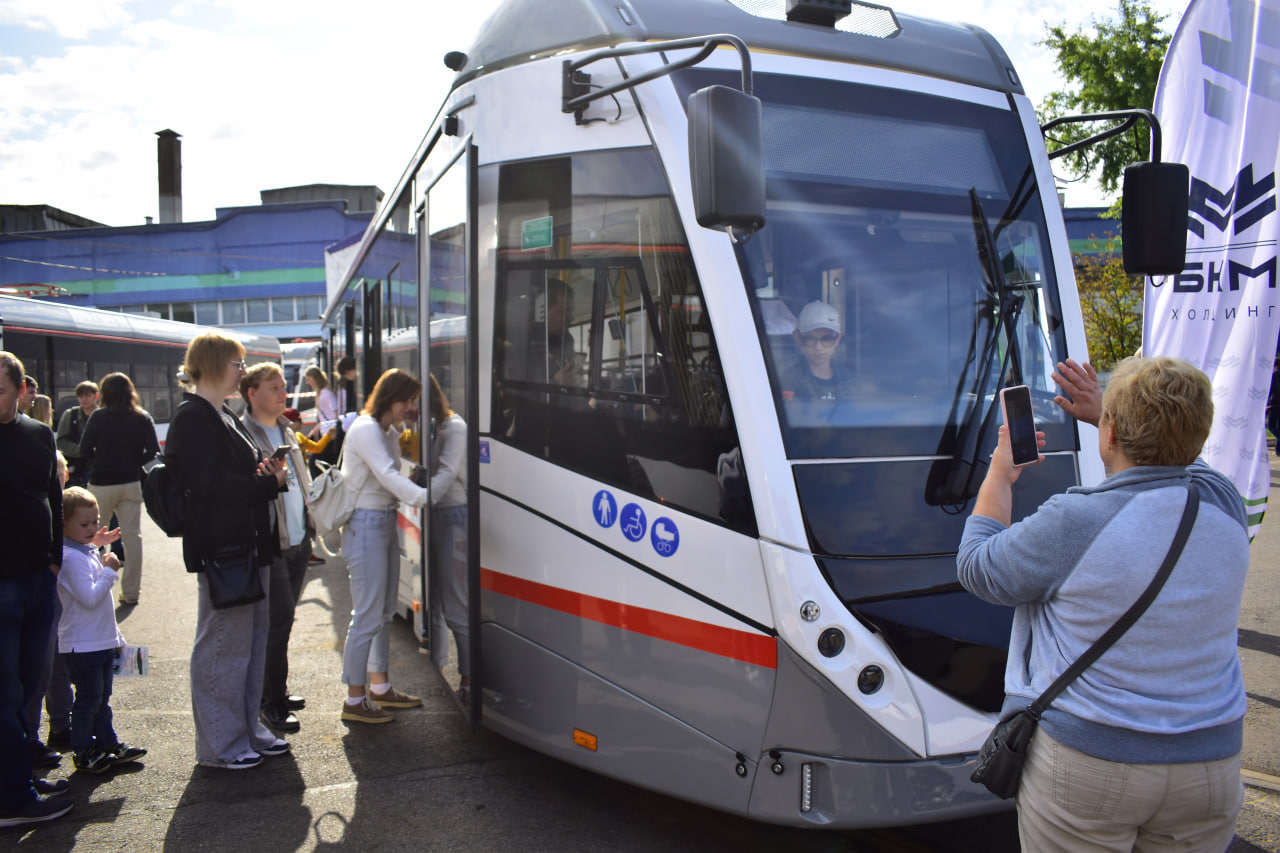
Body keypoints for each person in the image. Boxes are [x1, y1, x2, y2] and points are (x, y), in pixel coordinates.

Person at [956, 357, 1248, 852]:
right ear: (1199, 436)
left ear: (1110, 433)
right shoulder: (1223, 503)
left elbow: (978, 567)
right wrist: (1110, 416)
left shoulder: (1077, 521)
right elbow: (1184, 458)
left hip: (1094, 765)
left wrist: (1000, 476)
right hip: (1210, 767)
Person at [164, 331, 290, 770]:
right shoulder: (194, 417)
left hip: (247, 544)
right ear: (216, 364)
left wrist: (266, 473)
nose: (242, 370)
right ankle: (220, 743)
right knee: (223, 645)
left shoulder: (221, 415)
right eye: (237, 363)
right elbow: (209, 484)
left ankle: (247, 727)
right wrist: (265, 482)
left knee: (251, 641)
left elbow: (224, 475)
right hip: (225, 548)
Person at [0, 352, 74, 826]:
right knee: (5, 693)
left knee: (31, 685)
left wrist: (54, 558)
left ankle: (20, 775)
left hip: (37, 579)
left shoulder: (38, 433)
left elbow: (52, 492)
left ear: (20, 389)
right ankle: (13, 799)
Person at [339, 368, 428, 724]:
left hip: (381, 522)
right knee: (366, 616)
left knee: (381, 612)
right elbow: (388, 476)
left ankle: (379, 688)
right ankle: (354, 698)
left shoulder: (387, 431)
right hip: (365, 524)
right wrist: (427, 496)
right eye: (406, 400)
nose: (410, 406)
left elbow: (393, 476)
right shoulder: (366, 429)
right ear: (391, 398)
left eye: (413, 401)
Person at [238, 363, 314, 735]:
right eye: (274, 387)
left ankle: (276, 689)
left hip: (300, 538)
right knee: (277, 621)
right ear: (252, 393)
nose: (283, 393)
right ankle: (272, 703)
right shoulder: (243, 433)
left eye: (283, 386)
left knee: (282, 622)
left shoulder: (286, 428)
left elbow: (303, 478)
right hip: (273, 540)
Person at [57, 487, 147, 774]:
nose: (93, 528)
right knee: (89, 700)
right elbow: (89, 596)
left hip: (99, 641)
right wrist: (109, 570)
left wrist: (95, 546)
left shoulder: (81, 551)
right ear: (64, 525)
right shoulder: (70, 559)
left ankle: (108, 743)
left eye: (95, 522)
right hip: (82, 645)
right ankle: (83, 750)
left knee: (102, 698)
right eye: (85, 524)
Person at [77, 373, 160, 607]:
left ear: (103, 393)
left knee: (93, 536)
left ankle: (92, 586)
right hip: (131, 483)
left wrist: (100, 460)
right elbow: (153, 452)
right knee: (132, 537)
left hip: (101, 483)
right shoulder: (142, 417)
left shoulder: (99, 416)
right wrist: (134, 461)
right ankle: (131, 593)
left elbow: (84, 450)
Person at [426, 375, 469, 697]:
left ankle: (467, 677)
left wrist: (418, 495)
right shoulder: (434, 425)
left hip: (453, 516)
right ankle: (439, 670)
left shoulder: (454, 426)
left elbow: (447, 472)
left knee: (455, 600)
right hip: (437, 513)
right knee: (437, 601)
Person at [778, 301, 857, 401]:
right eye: (810, 339)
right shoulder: (785, 383)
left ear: (838, 339)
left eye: (827, 339)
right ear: (798, 338)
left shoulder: (852, 381)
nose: (818, 347)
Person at [57, 381, 99, 488]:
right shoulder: (70, 415)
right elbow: (61, 442)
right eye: (81, 396)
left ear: (96, 396)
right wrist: (81, 450)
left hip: (98, 466)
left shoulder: (103, 415)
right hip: (76, 467)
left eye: (88, 396)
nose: (84, 399)